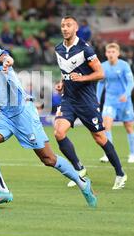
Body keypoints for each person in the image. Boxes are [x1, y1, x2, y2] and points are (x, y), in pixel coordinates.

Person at [0, 25, 97, 208]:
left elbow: (4, 56)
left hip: (22, 112)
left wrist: (8, 61)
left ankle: (83, 183)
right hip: (6, 115)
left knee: (48, 158)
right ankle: (3, 191)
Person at [53, 16, 127, 190]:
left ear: (76, 28)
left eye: (68, 25)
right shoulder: (58, 49)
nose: (65, 28)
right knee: (58, 132)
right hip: (69, 100)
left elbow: (100, 73)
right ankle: (79, 170)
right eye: (63, 25)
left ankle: (120, 173)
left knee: (100, 138)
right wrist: (62, 83)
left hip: (86, 101)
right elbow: (67, 71)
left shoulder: (85, 49)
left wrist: (82, 78)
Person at [97, 43, 134, 164]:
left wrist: (127, 94)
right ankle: (108, 154)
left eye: (113, 52)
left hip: (124, 101)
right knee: (106, 126)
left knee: (129, 127)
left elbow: (131, 82)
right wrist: (97, 98)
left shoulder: (124, 65)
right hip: (110, 101)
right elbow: (101, 83)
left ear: (118, 54)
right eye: (108, 52)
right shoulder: (103, 66)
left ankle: (132, 154)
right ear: (105, 53)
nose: (111, 54)